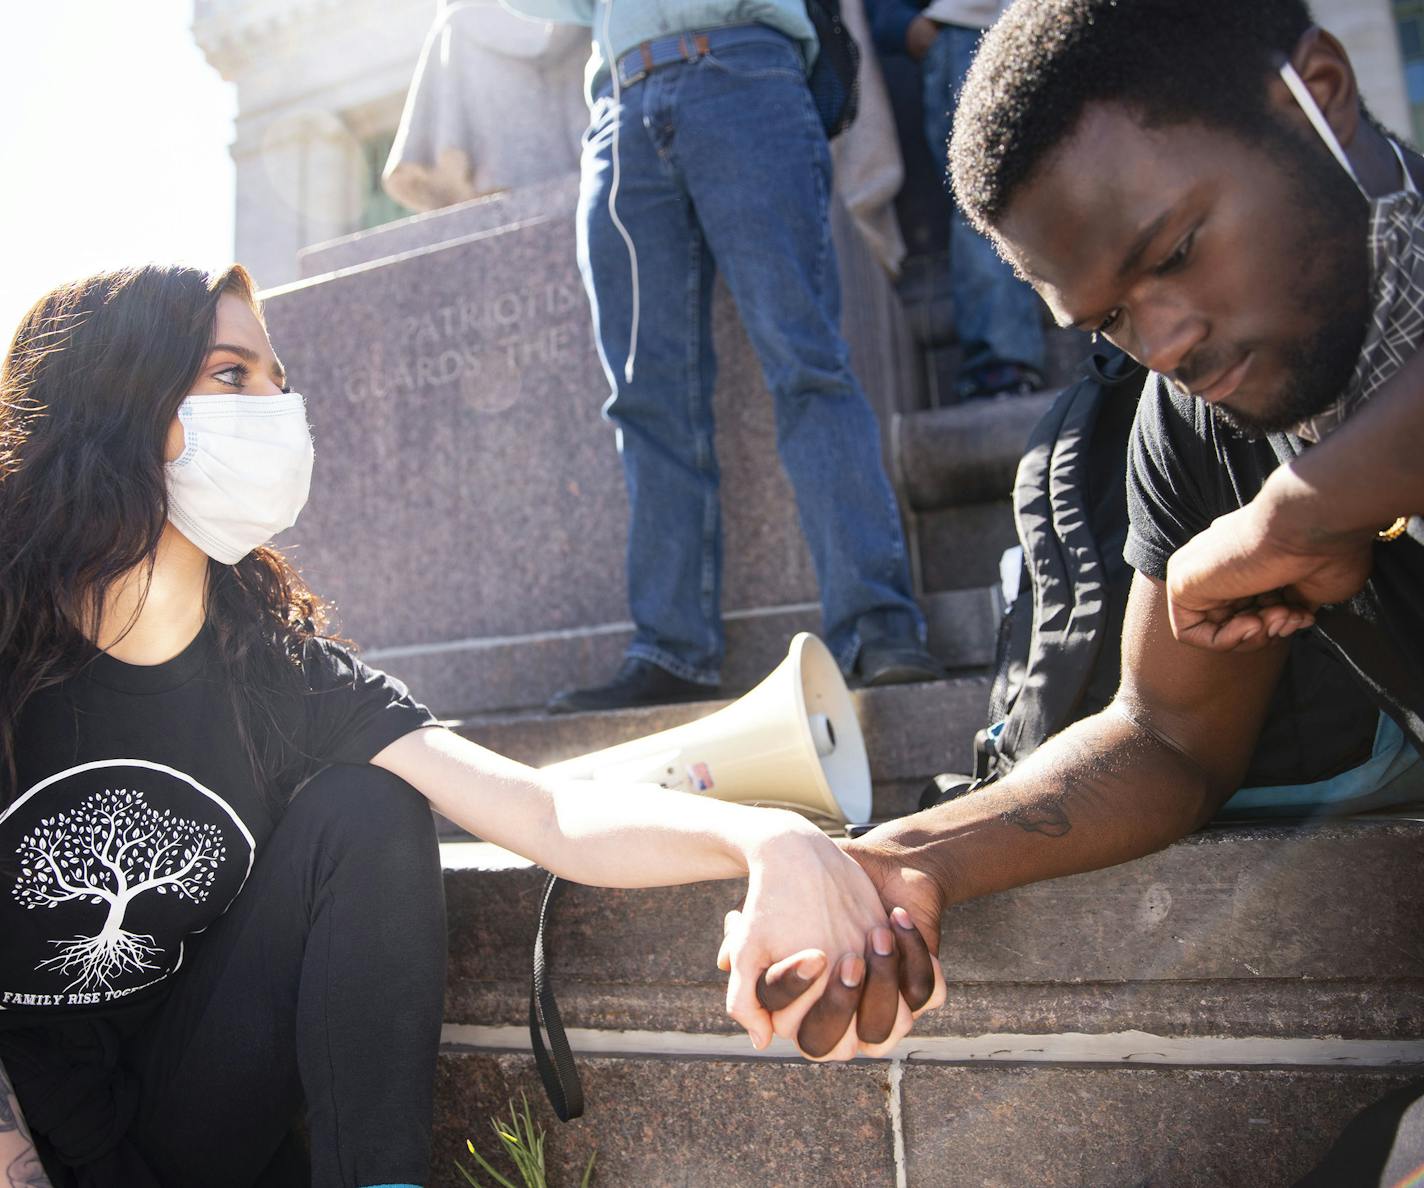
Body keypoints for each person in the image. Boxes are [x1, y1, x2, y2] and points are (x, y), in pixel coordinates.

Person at [0, 264, 940, 1188]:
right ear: (115, 398)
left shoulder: (274, 664)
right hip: (26, 1120)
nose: (276, 410)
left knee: (368, 807)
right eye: (231, 375)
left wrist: (770, 836)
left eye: (279, 381)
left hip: (186, 1119)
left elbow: (544, 815)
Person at [736, 0, 1424, 1177]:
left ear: (1314, 91)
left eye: (1170, 251)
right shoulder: (1198, 423)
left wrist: (1297, 514)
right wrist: (908, 854)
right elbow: (1165, 738)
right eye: (1105, 317)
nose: (1162, 341)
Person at [493, 0, 943, 715]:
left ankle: (879, 627)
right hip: (622, 105)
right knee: (644, 399)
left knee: (807, 366)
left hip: (748, 73)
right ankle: (670, 648)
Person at [865, 0, 1045, 400]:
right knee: (984, 201)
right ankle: (1002, 364)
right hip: (965, 29)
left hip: (1040, 21)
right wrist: (908, 27)